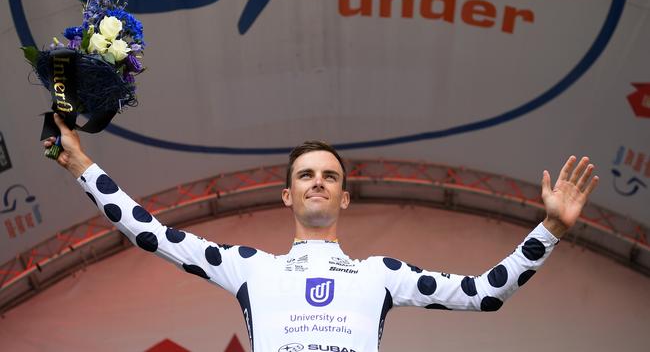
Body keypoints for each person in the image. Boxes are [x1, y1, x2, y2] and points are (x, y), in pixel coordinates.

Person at [44, 113, 598, 352]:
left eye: (330, 177)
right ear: (288, 194)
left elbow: (485, 294)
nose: (317, 183)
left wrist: (549, 228)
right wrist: (80, 167)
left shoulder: (381, 275)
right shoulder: (249, 267)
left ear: (344, 197)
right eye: (306, 175)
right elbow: (152, 234)